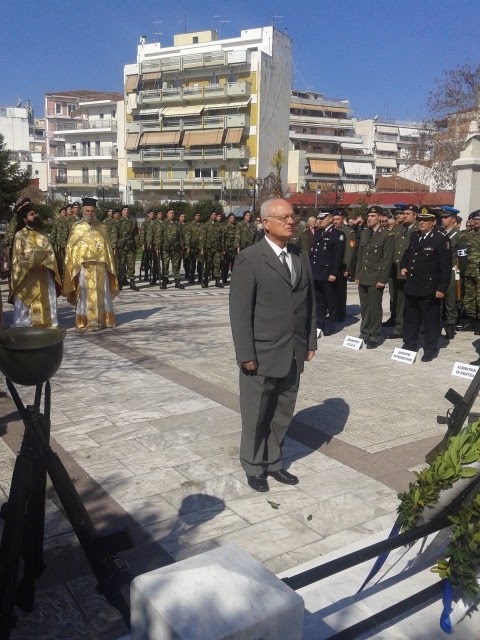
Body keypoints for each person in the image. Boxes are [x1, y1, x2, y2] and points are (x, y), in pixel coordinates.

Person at [229, 198, 317, 493]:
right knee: (256, 412)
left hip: (293, 350)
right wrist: (245, 354)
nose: (291, 221)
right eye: (283, 218)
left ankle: (274, 461)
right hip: (261, 353)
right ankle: (253, 466)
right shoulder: (250, 259)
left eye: (293, 216)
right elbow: (240, 311)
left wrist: (310, 340)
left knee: (282, 410)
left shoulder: (300, 256)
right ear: (265, 223)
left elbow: (309, 302)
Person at [400, 206, 451, 362]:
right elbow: (408, 254)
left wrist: (441, 288)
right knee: (412, 318)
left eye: (425, 220)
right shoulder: (415, 236)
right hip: (413, 284)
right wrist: (403, 265)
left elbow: (445, 267)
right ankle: (409, 344)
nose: (421, 223)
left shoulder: (440, 239)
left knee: (430, 321)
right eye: (420, 220)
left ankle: (430, 349)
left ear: (433, 222)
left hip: (429, 287)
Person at [63, 197, 118, 331]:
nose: (90, 213)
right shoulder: (77, 228)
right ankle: (84, 320)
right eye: (87, 210)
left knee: (102, 294)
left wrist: (108, 264)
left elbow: (107, 248)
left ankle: (103, 320)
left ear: (95, 211)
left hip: (100, 267)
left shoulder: (102, 227)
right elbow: (71, 248)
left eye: (92, 211)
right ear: (83, 211)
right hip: (84, 268)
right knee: (85, 295)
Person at [9, 199, 61, 328]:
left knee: (45, 297)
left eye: (35, 213)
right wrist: (30, 266)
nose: (35, 216)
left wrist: (44, 264)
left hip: (43, 271)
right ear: (25, 219)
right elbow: (17, 257)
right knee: (28, 298)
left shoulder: (42, 234)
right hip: (27, 275)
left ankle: (47, 321)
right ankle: (27, 322)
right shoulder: (19, 235)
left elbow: (50, 253)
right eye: (32, 214)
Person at [355, 205, 395, 348]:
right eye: (368, 216)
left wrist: (382, 279)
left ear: (379, 217)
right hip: (364, 275)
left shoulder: (387, 234)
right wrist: (357, 274)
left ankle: (374, 335)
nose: (369, 219)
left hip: (376, 276)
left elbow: (387, 259)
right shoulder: (365, 232)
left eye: (372, 216)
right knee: (365, 307)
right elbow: (360, 255)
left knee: (375, 307)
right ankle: (364, 332)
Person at [384, 204, 418, 339]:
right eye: (403, 213)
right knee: (396, 298)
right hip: (395, 269)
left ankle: (404, 327)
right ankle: (397, 323)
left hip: (408, 271)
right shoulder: (398, 228)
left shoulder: (417, 229)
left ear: (415, 215)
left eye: (407, 213)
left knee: (408, 301)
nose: (404, 215)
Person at [311, 211, 344, 336]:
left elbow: (338, 256)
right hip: (317, 272)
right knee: (319, 300)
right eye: (319, 218)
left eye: (323, 219)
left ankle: (330, 325)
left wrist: (334, 273)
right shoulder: (319, 233)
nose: (320, 221)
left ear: (330, 219)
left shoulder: (337, 234)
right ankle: (319, 324)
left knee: (331, 301)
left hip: (328, 273)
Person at [440, 206, 461, 339]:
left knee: (450, 299)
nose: (443, 219)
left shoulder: (458, 236)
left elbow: (462, 256)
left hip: (452, 270)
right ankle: (436, 325)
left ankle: (451, 326)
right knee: (438, 299)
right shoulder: (440, 234)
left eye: (445, 217)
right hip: (439, 271)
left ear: (453, 219)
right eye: (442, 217)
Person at [332, 211, 356, 322]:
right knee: (332, 290)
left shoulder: (348, 232)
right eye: (334, 219)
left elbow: (349, 251)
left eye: (338, 219)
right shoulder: (332, 230)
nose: (335, 221)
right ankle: (333, 312)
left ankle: (340, 313)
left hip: (342, 265)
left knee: (340, 291)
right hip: (332, 265)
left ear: (343, 219)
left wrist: (346, 267)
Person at [117, 206, 140, 291]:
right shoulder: (118, 221)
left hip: (130, 246)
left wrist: (137, 244)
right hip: (121, 247)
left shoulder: (133, 221)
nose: (126, 211)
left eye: (127, 210)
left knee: (131, 265)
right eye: (124, 210)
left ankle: (132, 283)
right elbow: (115, 234)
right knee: (121, 265)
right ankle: (120, 283)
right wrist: (115, 246)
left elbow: (136, 234)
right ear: (121, 212)